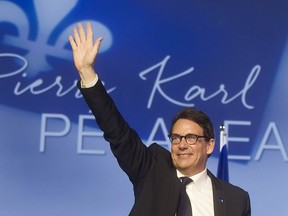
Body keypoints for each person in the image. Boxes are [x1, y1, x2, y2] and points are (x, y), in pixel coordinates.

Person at [69, 22, 251, 216]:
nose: (181, 145)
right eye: (176, 138)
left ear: (209, 145)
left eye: (191, 138)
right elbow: (117, 132)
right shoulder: (152, 169)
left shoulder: (236, 199)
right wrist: (87, 73)